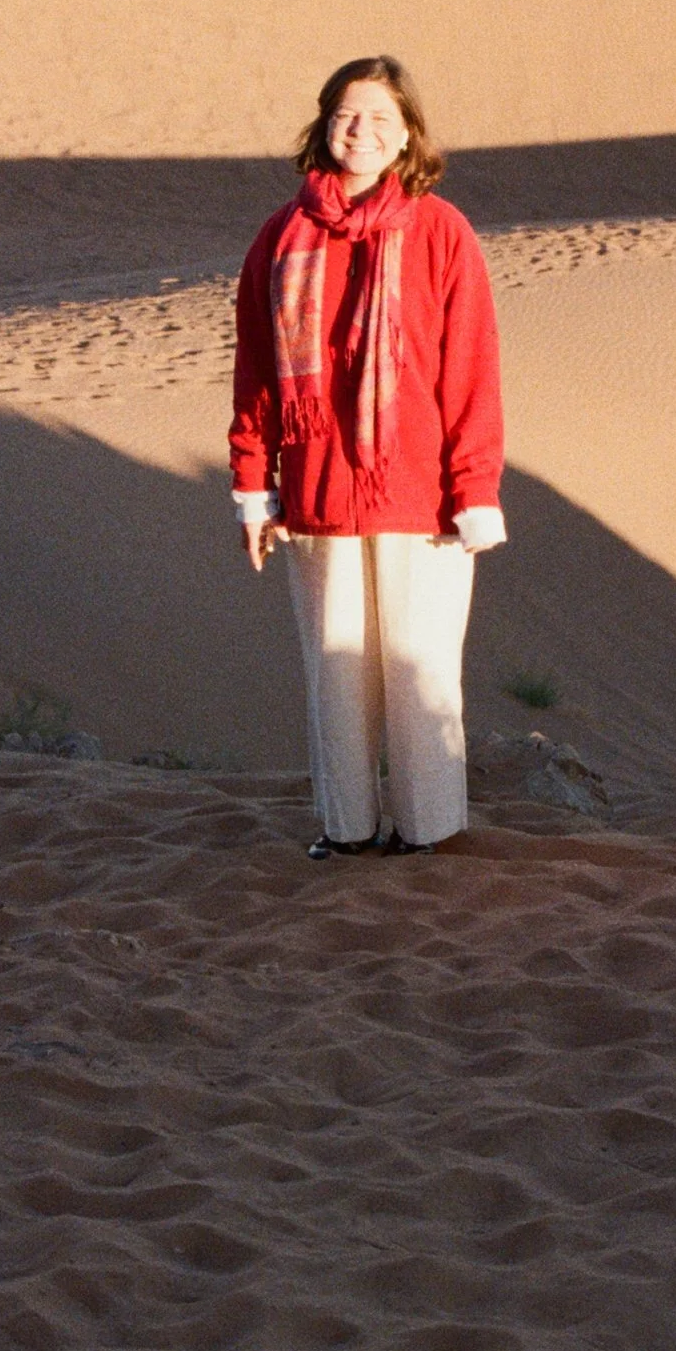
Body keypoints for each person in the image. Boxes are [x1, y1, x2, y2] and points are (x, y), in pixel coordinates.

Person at [229, 55, 505, 859]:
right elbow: (256, 372)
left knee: (418, 677)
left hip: (422, 502)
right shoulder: (282, 236)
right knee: (337, 682)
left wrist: (474, 488)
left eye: (382, 120)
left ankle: (430, 834)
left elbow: (470, 370)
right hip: (317, 496)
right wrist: (255, 485)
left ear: (408, 134)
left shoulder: (440, 231)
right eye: (350, 116)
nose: (364, 133)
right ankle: (346, 830)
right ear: (325, 124)